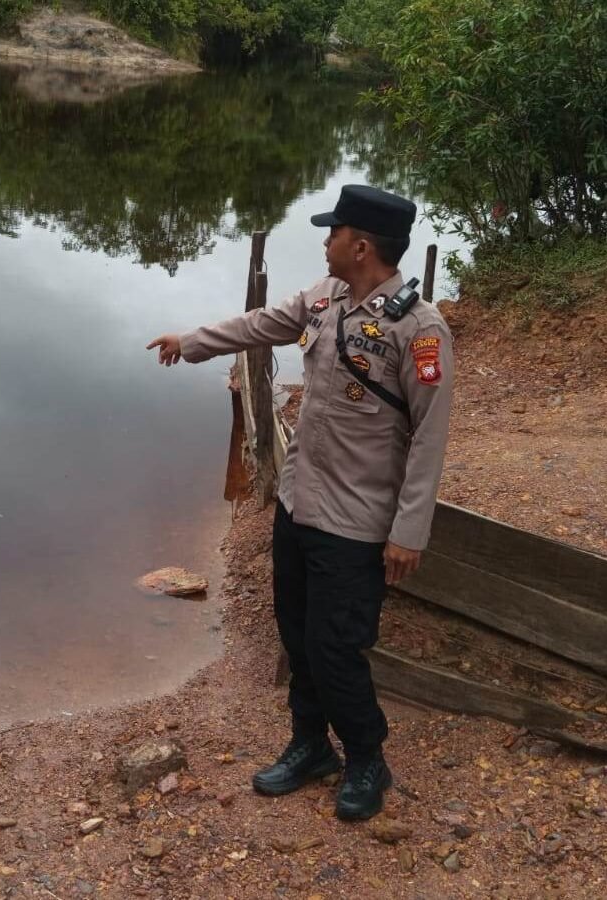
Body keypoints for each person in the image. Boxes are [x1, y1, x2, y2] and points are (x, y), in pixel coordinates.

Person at [146, 184, 454, 821]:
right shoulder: (325, 297)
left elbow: (429, 439)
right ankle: (311, 745)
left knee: (336, 647)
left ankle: (367, 757)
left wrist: (410, 531)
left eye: (333, 231)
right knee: (296, 633)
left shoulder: (419, 331)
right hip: (299, 506)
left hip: (356, 523)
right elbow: (258, 325)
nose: (325, 239)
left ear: (361, 246)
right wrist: (191, 339)